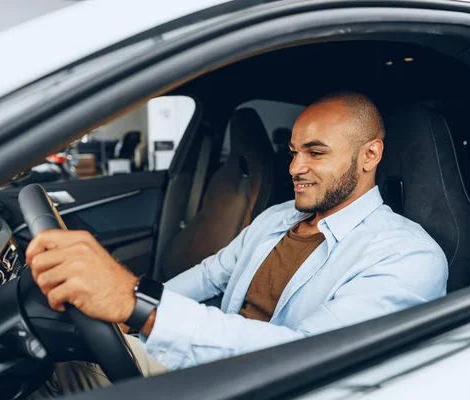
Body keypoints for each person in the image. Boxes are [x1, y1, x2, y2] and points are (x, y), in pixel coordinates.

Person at [26, 92, 448, 397]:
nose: (295, 167)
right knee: (50, 363)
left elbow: (305, 357)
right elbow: (212, 273)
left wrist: (138, 307)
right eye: (294, 151)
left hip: (266, 384)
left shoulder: (406, 256)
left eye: (315, 153)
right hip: (219, 365)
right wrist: (133, 308)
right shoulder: (278, 217)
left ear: (369, 156)